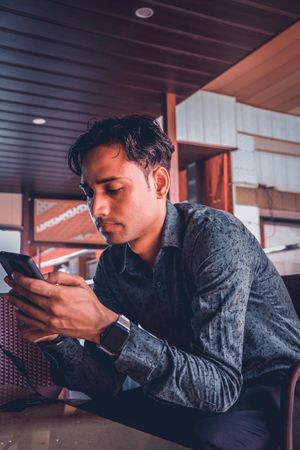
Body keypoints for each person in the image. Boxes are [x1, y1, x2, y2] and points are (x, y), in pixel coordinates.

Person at [6, 116, 300, 450]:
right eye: (89, 193)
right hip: (192, 390)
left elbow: (220, 388)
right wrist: (56, 337)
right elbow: (106, 385)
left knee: (205, 437)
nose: (96, 208)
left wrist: (107, 327)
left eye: (113, 189)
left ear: (159, 183)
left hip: (277, 389)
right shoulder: (113, 266)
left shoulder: (214, 238)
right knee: (94, 420)